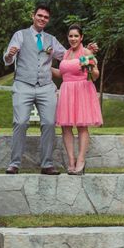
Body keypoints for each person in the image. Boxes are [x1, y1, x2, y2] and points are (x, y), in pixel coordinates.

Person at [3, 5, 67, 175]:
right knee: (21, 122)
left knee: (49, 123)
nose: (42, 19)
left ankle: (47, 164)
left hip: (46, 86)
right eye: (39, 15)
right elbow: (7, 59)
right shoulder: (20, 35)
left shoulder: (51, 39)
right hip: (23, 84)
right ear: (33, 16)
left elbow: (66, 56)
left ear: (48, 20)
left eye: (46, 17)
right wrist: (10, 54)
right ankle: (15, 163)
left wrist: (86, 53)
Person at [54, 24, 102, 175]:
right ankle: (71, 160)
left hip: (82, 90)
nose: (73, 38)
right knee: (65, 127)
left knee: (82, 126)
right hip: (67, 90)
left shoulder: (86, 51)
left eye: (76, 36)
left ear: (81, 37)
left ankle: (81, 160)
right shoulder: (66, 54)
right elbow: (62, 74)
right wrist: (46, 68)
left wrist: (90, 67)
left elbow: (95, 75)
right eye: (70, 36)